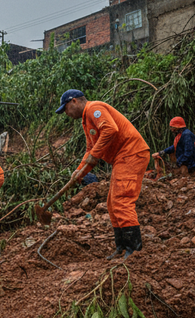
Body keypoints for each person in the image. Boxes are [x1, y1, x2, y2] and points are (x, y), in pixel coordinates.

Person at [56, 89, 150, 260]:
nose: (67, 114)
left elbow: (110, 130)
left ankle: (134, 250)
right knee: (112, 203)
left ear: (74, 101)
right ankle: (121, 247)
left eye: (66, 109)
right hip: (122, 158)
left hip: (131, 154)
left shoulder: (94, 108)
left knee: (122, 200)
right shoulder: (86, 121)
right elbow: (90, 151)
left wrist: (94, 155)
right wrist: (79, 172)